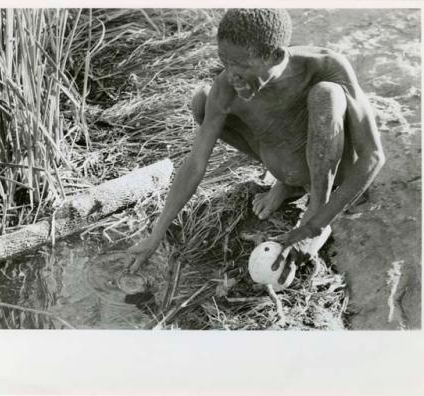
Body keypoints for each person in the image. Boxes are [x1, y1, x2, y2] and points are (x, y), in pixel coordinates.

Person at [127, 9, 385, 284]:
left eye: (241, 65)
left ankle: (315, 205)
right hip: (288, 161)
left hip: (333, 165)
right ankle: (289, 184)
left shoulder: (325, 66)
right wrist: (155, 235)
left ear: (276, 56)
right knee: (203, 101)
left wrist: (313, 225)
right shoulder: (227, 85)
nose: (231, 75)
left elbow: (373, 156)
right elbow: (195, 163)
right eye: (224, 61)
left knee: (326, 95)